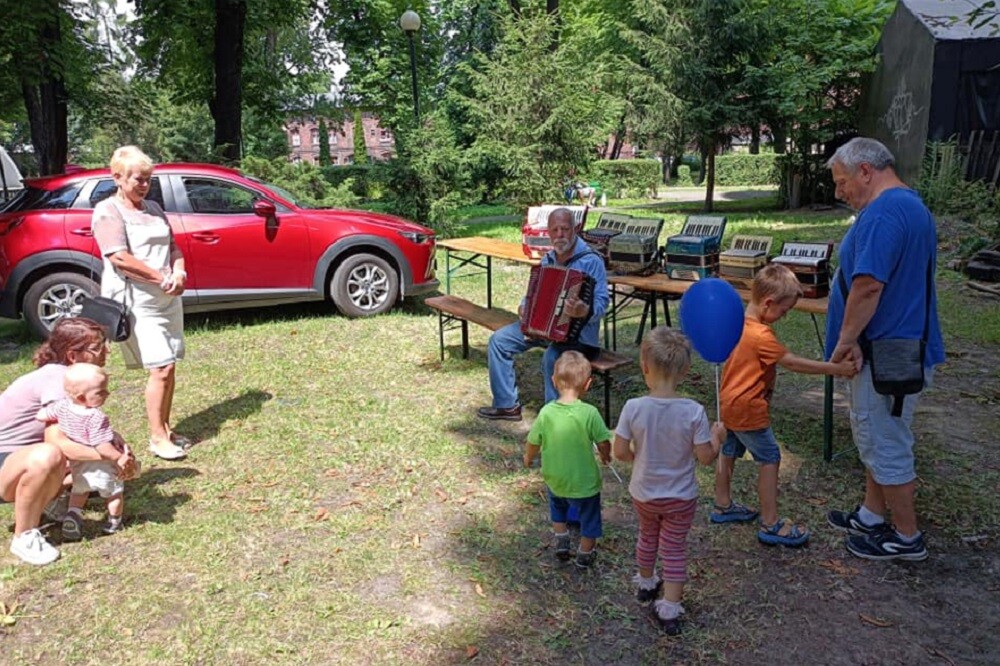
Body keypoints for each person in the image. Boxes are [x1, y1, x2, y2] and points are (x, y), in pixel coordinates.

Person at [824, 137, 944, 562]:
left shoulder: (885, 212)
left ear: (865, 171)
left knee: (883, 439)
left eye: (841, 182)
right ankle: (873, 514)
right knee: (879, 435)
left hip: (885, 353)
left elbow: (869, 284)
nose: (839, 193)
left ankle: (908, 538)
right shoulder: (908, 205)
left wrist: (847, 339)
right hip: (896, 347)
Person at [711, 264, 856, 547]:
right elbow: (790, 362)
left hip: (728, 403)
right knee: (770, 457)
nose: (785, 316)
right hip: (749, 408)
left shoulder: (737, 323)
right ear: (768, 303)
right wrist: (833, 368)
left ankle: (722, 505)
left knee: (728, 450)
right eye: (784, 310)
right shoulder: (761, 335)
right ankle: (770, 522)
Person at [613, 327, 725, 635]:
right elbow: (705, 457)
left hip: (644, 494)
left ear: (644, 365)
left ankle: (646, 582)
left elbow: (620, 452)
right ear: (686, 370)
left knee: (647, 536)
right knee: (674, 548)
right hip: (680, 498)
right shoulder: (694, 411)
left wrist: (638, 455)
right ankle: (671, 606)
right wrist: (716, 438)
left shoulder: (633, 407)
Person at [0, 318, 138, 565]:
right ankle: (24, 536)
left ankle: (49, 501)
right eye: (98, 347)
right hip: (5, 463)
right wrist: (113, 457)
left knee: (73, 461)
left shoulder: (69, 377)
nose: (106, 350)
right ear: (73, 355)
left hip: (15, 460)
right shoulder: (58, 381)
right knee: (50, 455)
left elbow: (84, 430)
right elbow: (60, 443)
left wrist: (115, 444)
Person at [93, 145, 189, 460]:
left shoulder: (154, 209)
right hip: (138, 300)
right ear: (117, 178)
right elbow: (119, 258)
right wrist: (160, 277)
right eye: (138, 179)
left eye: (148, 179)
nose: (144, 185)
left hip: (167, 297)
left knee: (170, 365)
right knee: (159, 367)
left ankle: (166, 427)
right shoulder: (108, 210)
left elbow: (174, 246)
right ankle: (157, 438)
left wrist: (178, 270)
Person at [478, 207, 608, 421]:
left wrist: (585, 310)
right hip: (542, 331)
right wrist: (524, 307)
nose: (559, 235)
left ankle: (554, 423)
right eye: (554, 229)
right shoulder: (548, 259)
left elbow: (602, 302)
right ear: (548, 231)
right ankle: (506, 405)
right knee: (499, 341)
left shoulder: (591, 260)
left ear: (575, 229)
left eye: (565, 229)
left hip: (579, 338)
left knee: (552, 357)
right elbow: (532, 294)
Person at [523, 351, 613, 568]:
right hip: (585, 482)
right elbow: (603, 441)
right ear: (588, 384)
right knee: (590, 518)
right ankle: (584, 553)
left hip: (555, 478)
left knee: (558, 509)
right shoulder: (590, 413)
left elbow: (533, 441)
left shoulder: (546, 412)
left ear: (553, 381)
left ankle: (562, 539)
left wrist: (528, 458)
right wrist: (605, 455)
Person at [35, 363, 137, 540]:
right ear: (82, 397)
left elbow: (42, 415)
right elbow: (102, 447)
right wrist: (119, 458)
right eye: (101, 392)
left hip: (78, 462)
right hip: (101, 464)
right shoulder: (96, 417)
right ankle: (114, 521)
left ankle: (73, 515)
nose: (107, 394)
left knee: (79, 491)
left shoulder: (63, 406)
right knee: (114, 492)